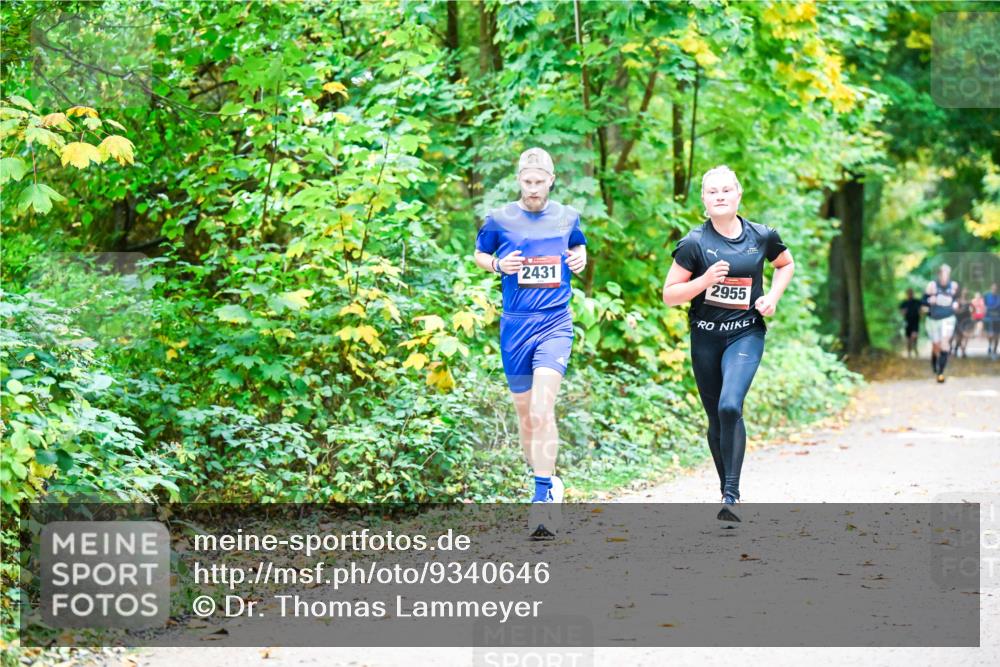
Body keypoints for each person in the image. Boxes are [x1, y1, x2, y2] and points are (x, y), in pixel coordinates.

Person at [662, 165, 794, 522]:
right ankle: (727, 493)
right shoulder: (694, 243)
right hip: (705, 335)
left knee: (730, 406)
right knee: (715, 418)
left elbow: (785, 264)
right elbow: (670, 295)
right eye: (712, 192)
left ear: (738, 195)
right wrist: (704, 280)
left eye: (726, 191)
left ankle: (732, 494)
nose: (719, 197)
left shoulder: (762, 235)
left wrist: (773, 298)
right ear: (704, 201)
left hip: (745, 332)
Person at [473, 147, 587, 539]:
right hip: (515, 327)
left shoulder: (567, 216)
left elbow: (577, 246)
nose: (533, 188)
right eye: (527, 181)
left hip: (555, 323)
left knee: (541, 410)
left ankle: (541, 502)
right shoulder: (499, 219)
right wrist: (498, 265)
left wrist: (580, 259)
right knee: (526, 418)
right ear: (519, 180)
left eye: (540, 181)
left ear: (551, 180)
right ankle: (548, 481)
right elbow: (479, 254)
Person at [924, 264, 959, 383]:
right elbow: (923, 301)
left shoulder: (953, 286)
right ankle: (934, 363)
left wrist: (956, 304)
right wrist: (929, 301)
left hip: (948, 318)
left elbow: (957, 299)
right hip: (933, 319)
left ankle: (940, 373)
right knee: (936, 346)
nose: (944, 277)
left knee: (945, 343)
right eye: (942, 274)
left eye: (946, 274)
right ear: (939, 275)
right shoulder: (932, 286)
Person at [899, 288, 922, 358]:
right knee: (908, 338)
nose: (910, 294)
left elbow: (921, 310)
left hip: (915, 321)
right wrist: (903, 312)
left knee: (914, 335)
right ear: (907, 294)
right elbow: (901, 312)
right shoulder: (904, 303)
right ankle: (909, 352)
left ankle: (915, 347)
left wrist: (920, 313)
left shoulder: (917, 302)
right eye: (909, 293)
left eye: (911, 293)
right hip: (908, 322)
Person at [950, 288, 973, 359]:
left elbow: (972, 310)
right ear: (961, 293)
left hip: (966, 321)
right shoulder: (957, 301)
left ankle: (963, 351)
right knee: (958, 337)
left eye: (966, 291)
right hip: (958, 320)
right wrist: (961, 310)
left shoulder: (969, 302)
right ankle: (957, 350)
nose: (965, 292)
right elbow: (954, 310)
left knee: (966, 336)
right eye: (964, 291)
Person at [985, 283, 1000, 360]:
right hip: (989, 319)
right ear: (991, 289)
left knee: (997, 336)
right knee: (990, 335)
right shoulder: (987, 296)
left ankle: (994, 351)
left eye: (995, 288)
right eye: (992, 288)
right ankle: (990, 346)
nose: (994, 289)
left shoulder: (999, 297)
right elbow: (984, 306)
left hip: (998, 319)